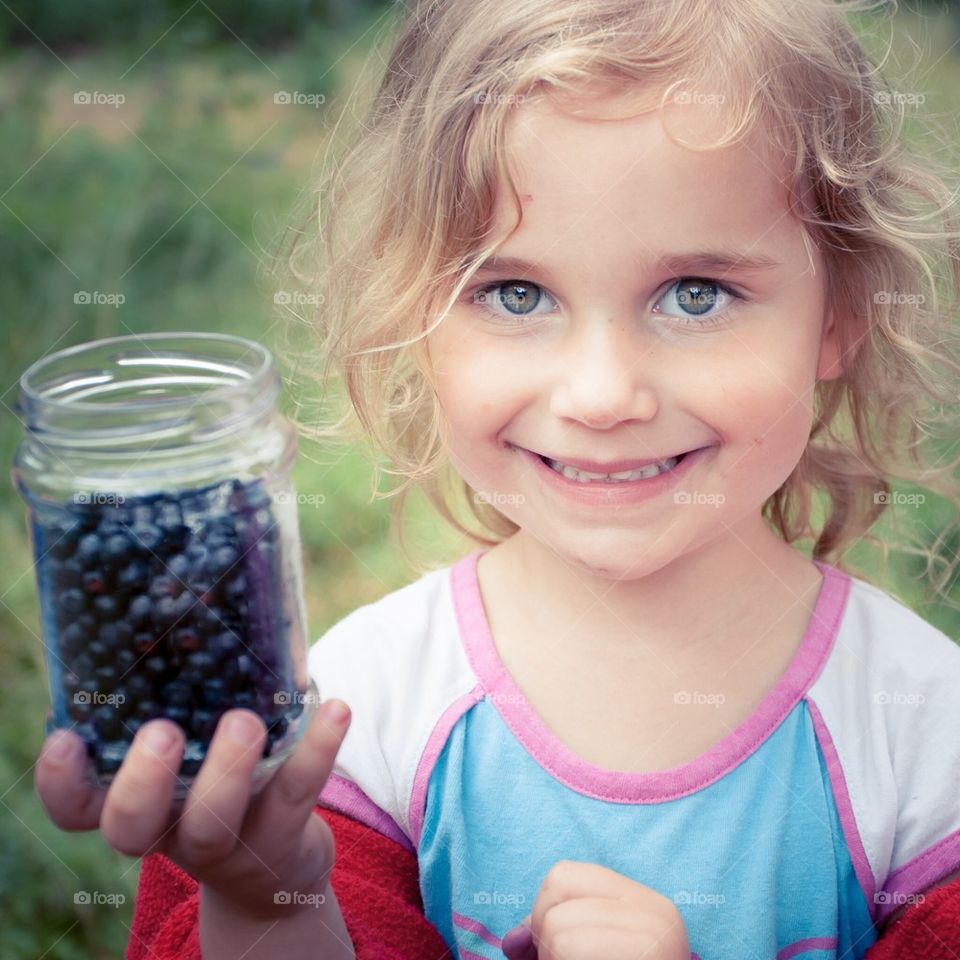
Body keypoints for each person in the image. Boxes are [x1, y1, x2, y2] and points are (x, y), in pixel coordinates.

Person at [35, 0, 960, 957]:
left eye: (697, 294)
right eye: (515, 295)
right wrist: (266, 896)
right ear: (419, 316)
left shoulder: (928, 738)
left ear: (840, 315)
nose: (602, 395)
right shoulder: (356, 718)